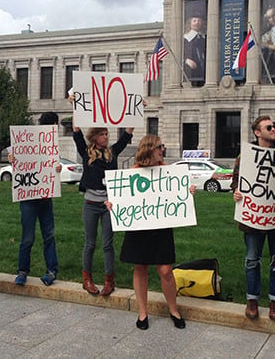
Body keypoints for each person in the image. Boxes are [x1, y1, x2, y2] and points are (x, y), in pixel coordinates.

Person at [117, 135, 194, 330]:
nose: (163, 150)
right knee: (140, 267)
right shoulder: (132, 173)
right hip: (139, 226)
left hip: (160, 226)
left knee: (166, 270)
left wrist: (187, 192)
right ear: (150, 149)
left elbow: (177, 194)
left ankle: (173, 309)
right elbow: (122, 198)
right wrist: (113, 204)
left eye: (163, 147)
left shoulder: (168, 172)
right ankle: (143, 313)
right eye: (160, 147)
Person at [231, 115, 275, 321]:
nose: (273, 129)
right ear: (257, 132)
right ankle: (252, 300)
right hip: (253, 219)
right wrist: (236, 192)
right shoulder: (246, 157)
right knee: (252, 259)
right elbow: (236, 181)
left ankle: (274, 302)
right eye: (269, 127)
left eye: (274, 127)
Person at [73, 123, 134, 296]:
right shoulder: (86, 153)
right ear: (94, 137)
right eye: (102, 134)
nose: (106, 137)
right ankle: (87, 279)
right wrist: (75, 106)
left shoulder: (112, 153)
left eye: (107, 134)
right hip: (91, 204)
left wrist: (137, 110)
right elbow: (77, 131)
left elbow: (126, 135)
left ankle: (109, 280)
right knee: (90, 243)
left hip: (108, 205)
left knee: (108, 244)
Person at [14, 112, 62, 287]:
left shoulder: (51, 144)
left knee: (48, 235)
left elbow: (52, 166)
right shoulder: (28, 139)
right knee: (28, 237)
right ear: (54, 124)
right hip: (28, 198)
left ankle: (51, 270)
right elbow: (19, 161)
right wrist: (14, 159)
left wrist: (57, 168)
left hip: (45, 197)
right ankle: (22, 270)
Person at [183, 14, 206, 86]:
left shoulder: (204, 38)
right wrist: (186, 60)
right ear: (190, 23)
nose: (197, 22)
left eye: (199, 21)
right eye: (194, 21)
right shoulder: (186, 38)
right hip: (191, 69)